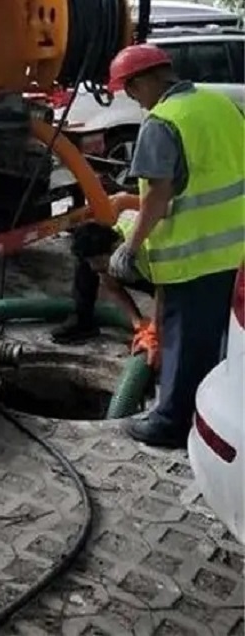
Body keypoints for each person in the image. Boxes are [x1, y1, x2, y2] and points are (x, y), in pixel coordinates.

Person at [105, 43, 245, 448]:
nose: (132, 100)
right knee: (222, 340)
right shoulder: (219, 105)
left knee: (184, 343)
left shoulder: (163, 122)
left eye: (130, 90)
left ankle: (170, 423)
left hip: (195, 255)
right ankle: (212, 416)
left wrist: (130, 247)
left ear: (146, 80)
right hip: (235, 249)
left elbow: (157, 196)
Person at [51, 217, 160, 366]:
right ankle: (83, 322)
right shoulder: (107, 248)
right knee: (84, 266)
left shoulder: (147, 252)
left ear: (114, 248)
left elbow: (165, 293)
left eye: (98, 262)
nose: (95, 268)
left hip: (172, 277)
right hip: (128, 261)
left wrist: (153, 333)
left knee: (171, 319)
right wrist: (138, 324)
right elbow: (114, 289)